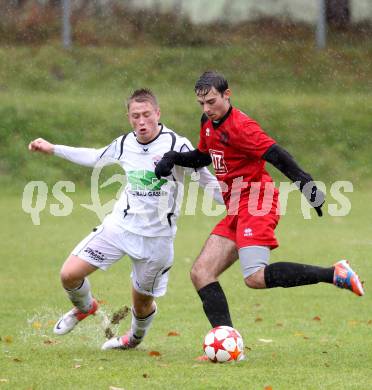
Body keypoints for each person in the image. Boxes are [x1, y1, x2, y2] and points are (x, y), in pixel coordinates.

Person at [155, 71, 364, 333]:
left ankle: (334, 274)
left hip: (257, 202)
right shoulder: (208, 123)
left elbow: (278, 155)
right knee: (201, 273)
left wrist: (306, 184)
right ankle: (229, 341)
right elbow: (204, 156)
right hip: (236, 208)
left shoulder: (242, 127)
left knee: (254, 277)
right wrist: (173, 157)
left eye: (212, 102)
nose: (207, 109)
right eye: (202, 104)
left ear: (227, 95)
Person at [28, 88, 223, 351]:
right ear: (128, 117)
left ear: (158, 113)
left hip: (156, 241)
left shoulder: (178, 145)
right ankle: (85, 307)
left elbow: (207, 181)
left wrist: (238, 202)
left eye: (146, 115)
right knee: (69, 275)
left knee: (142, 304)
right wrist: (53, 149)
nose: (141, 122)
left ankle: (134, 339)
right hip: (118, 228)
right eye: (135, 116)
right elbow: (94, 156)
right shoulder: (124, 144)